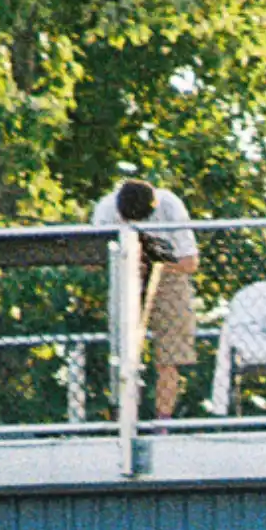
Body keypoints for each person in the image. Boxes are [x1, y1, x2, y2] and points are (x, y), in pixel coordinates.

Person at [96, 173, 201, 416]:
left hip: (169, 276)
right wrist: (128, 264)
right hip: (124, 277)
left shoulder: (171, 206)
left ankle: (162, 422)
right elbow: (93, 262)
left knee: (169, 356)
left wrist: (154, 264)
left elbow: (190, 262)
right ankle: (122, 417)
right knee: (122, 355)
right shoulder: (105, 210)